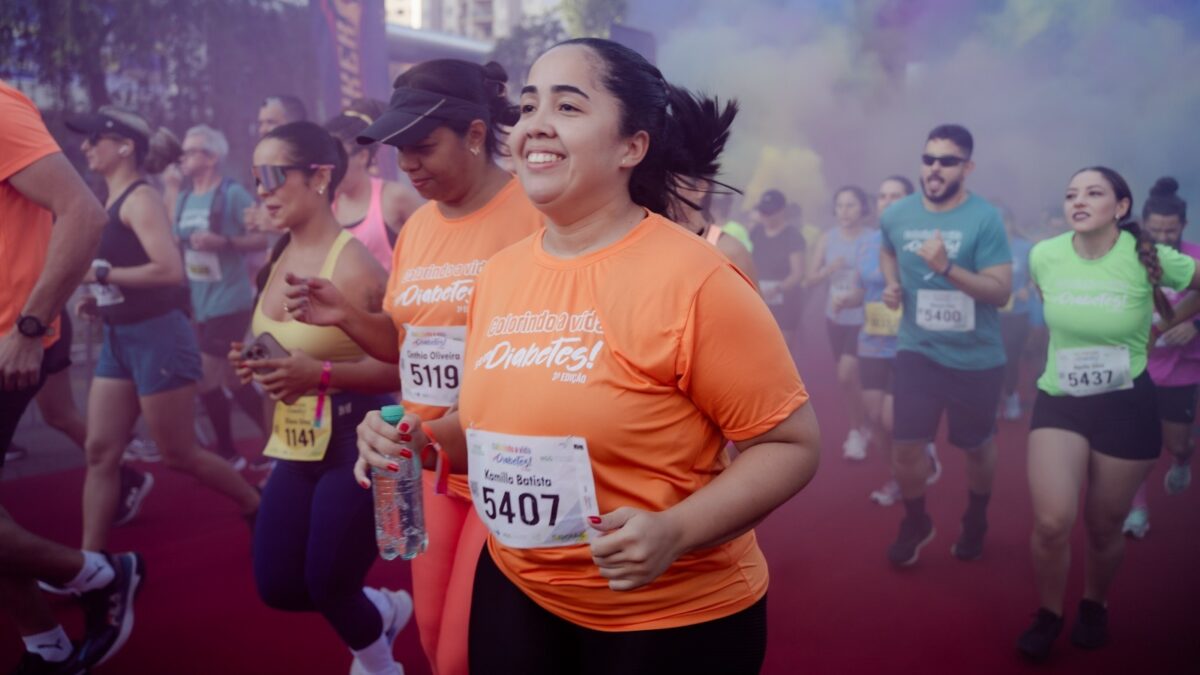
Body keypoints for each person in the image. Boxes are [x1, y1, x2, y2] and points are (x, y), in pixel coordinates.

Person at [355, 37, 821, 674]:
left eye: (568, 107)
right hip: (520, 590)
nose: (534, 126)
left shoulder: (697, 279)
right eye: (526, 106)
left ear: (632, 146)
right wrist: (417, 437)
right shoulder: (500, 275)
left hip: (666, 618)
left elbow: (791, 444)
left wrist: (675, 530)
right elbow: (494, 427)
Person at [285, 59, 543, 675]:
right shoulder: (420, 228)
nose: (410, 166)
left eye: (424, 147)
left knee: (464, 651)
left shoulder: (534, 215)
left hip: (506, 465)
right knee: (431, 643)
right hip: (424, 463)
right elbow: (404, 344)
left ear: (477, 134)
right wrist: (346, 315)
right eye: (401, 152)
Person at [231, 120, 410, 675]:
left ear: (319, 177)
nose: (260, 188)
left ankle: (381, 664)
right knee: (278, 584)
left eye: (271, 174)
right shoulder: (277, 253)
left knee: (329, 582)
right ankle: (381, 609)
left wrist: (321, 374)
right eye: (254, 175)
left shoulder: (355, 266)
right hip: (296, 440)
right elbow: (284, 343)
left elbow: (401, 365)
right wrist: (258, 362)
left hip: (359, 437)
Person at [1016, 167, 1200, 660]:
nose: (1079, 200)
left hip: (1126, 405)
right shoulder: (1044, 255)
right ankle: (1049, 613)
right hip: (1061, 401)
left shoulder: (1149, 258)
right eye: (1071, 192)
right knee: (1053, 521)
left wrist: (1178, 323)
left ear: (1120, 208)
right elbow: (1044, 303)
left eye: (1093, 193)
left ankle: (1094, 605)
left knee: (1104, 525)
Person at [65, 107, 261, 552]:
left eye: (94, 139)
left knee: (178, 454)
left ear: (124, 146)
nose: (85, 147)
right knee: (100, 452)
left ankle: (255, 503)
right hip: (121, 338)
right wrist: (103, 298)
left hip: (158, 338)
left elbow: (168, 270)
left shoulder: (141, 199)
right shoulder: (112, 198)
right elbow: (128, 272)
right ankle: (90, 565)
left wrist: (103, 276)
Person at [0, 79, 142, 674]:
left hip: (15, 336)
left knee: (175, 446)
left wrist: (31, 328)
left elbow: (80, 214)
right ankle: (48, 647)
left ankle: (100, 575)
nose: (92, 147)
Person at [880, 124, 1012, 567]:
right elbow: (887, 249)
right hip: (918, 349)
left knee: (975, 446)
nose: (935, 169)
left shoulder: (985, 217)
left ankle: (976, 515)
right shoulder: (897, 214)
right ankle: (916, 521)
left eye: (947, 161)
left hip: (976, 356)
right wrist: (892, 284)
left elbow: (999, 292)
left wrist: (947, 267)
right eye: (928, 159)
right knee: (905, 446)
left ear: (967, 168)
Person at [175, 124, 269, 469]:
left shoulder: (232, 195)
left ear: (212, 157)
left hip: (231, 301)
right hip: (200, 302)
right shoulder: (184, 196)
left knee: (204, 377)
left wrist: (224, 243)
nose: (183, 157)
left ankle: (227, 453)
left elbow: (261, 240)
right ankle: (274, 442)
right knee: (233, 377)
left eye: (191, 151)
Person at [856, 175, 941, 506]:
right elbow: (863, 286)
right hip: (872, 340)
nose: (887, 202)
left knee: (894, 419)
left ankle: (922, 449)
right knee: (877, 420)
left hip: (911, 343)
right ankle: (897, 475)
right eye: (882, 196)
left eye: (896, 196)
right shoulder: (865, 242)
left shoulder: (923, 240)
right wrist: (847, 298)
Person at [1122, 177, 1198, 538]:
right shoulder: (1130, 256)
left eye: (1171, 230)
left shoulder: (1196, 257)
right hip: (1140, 362)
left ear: (1183, 225)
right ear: (1144, 224)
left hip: (1184, 366)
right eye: (1156, 230)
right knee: (1136, 439)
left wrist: (1196, 326)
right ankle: (1137, 510)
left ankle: (1184, 458)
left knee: (1175, 442)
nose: (1164, 237)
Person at [809, 186, 874, 460]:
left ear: (863, 209)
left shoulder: (873, 238)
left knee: (848, 374)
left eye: (851, 205)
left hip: (867, 316)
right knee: (847, 380)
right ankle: (863, 422)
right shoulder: (828, 238)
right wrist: (828, 270)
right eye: (840, 206)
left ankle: (857, 431)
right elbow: (809, 279)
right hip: (835, 317)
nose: (844, 212)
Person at [324, 99, 423, 271]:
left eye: (339, 157)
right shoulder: (326, 204)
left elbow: (435, 244)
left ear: (362, 156)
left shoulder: (394, 198)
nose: (332, 167)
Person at [751, 189, 806, 343]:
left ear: (782, 211)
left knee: (780, 348)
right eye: (763, 212)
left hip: (785, 304)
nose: (765, 216)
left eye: (770, 212)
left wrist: (778, 289)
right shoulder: (757, 231)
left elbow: (798, 273)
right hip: (760, 300)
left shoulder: (793, 236)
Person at [998, 204, 1035, 421]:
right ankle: (993, 400)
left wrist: (1027, 288)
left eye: (1005, 222)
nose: (1001, 227)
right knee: (993, 360)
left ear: (1011, 224)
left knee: (1012, 357)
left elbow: (1038, 275)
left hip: (1017, 313)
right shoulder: (984, 247)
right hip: (991, 313)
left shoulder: (1025, 247)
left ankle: (1011, 394)